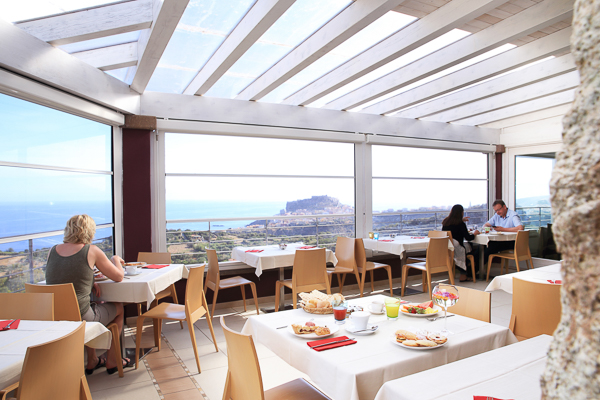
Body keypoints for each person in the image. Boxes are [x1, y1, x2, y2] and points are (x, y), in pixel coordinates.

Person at [45, 214, 133, 375]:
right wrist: (115, 259)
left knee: (90, 305)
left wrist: (90, 281)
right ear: (90, 231)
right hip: (81, 318)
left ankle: (92, 359)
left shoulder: (52, 251)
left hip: (54, 317)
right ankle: (113, 360)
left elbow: (65, 274)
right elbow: (118, 277)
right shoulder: (91, 250)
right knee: (119, 308)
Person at [442, 204, 480, 282]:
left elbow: (454, 225)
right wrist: (474, 234)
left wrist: (462, 220)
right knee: (470, 246)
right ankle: (468, 267)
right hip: (457, 247)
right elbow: (468, 238)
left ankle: (467, 265)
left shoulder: (446, 222)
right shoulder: (461, 224)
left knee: (465, 247)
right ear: (461, 213)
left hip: (448, 247)